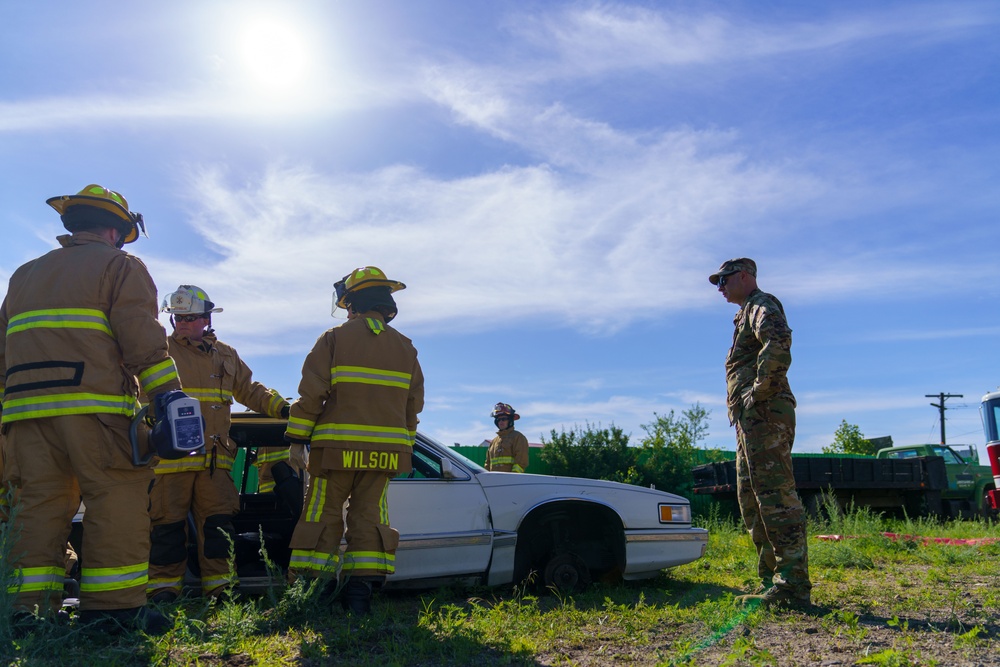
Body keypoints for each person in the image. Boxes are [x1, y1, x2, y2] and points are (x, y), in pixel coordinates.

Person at [0, 184, 184, 634]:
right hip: (94, 410)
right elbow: (141, 340)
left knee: (38, 505)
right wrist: (171, 400)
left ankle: (27, 612)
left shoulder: (24, 274)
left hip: (25, 417)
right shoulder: (120, 266)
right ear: (115, 230)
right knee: (116, 496)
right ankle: (115, 610)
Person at [284, 266, 424, 614]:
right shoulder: (407, 349)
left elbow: (311, 395)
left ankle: (315, 596)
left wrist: (297, 440)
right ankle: (359, 598)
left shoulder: (334, 338)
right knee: (369, 518)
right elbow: (413, 407)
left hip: (335, 451)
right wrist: (402, 451)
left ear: (353, 304)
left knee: (323, 515)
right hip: (386, 456)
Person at [147, 285, 290, 602]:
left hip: (215, 463)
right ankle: (163, 591)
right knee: (166, 529)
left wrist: (283, 409)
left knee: (218, 529)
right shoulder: (160, 352)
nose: (183, 323)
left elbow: (250, 390)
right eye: (178, 318)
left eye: (190, 317)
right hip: (171, 462)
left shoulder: (226, 355)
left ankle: (221, 591)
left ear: (206, 318)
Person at [709, 257, 811, 609]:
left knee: (775, 497)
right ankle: (773, 581)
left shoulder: (762, 305)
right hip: (750, 418)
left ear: (743, 276)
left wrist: (758, 391)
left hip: (765, 412)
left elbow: (779, 341)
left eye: (723, 280)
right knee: (751, 497)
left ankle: (792, 585)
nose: (719, 288)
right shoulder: (744, 312)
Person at [485, 403, 529, 473]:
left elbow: (521, 462)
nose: (501, 422)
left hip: (510, 482)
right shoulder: (494, 442)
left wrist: (512, 478)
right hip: (493, 481)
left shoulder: (518, 437)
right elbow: (487, 464)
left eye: (504, 419)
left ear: (510, 420)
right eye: (498, 420)